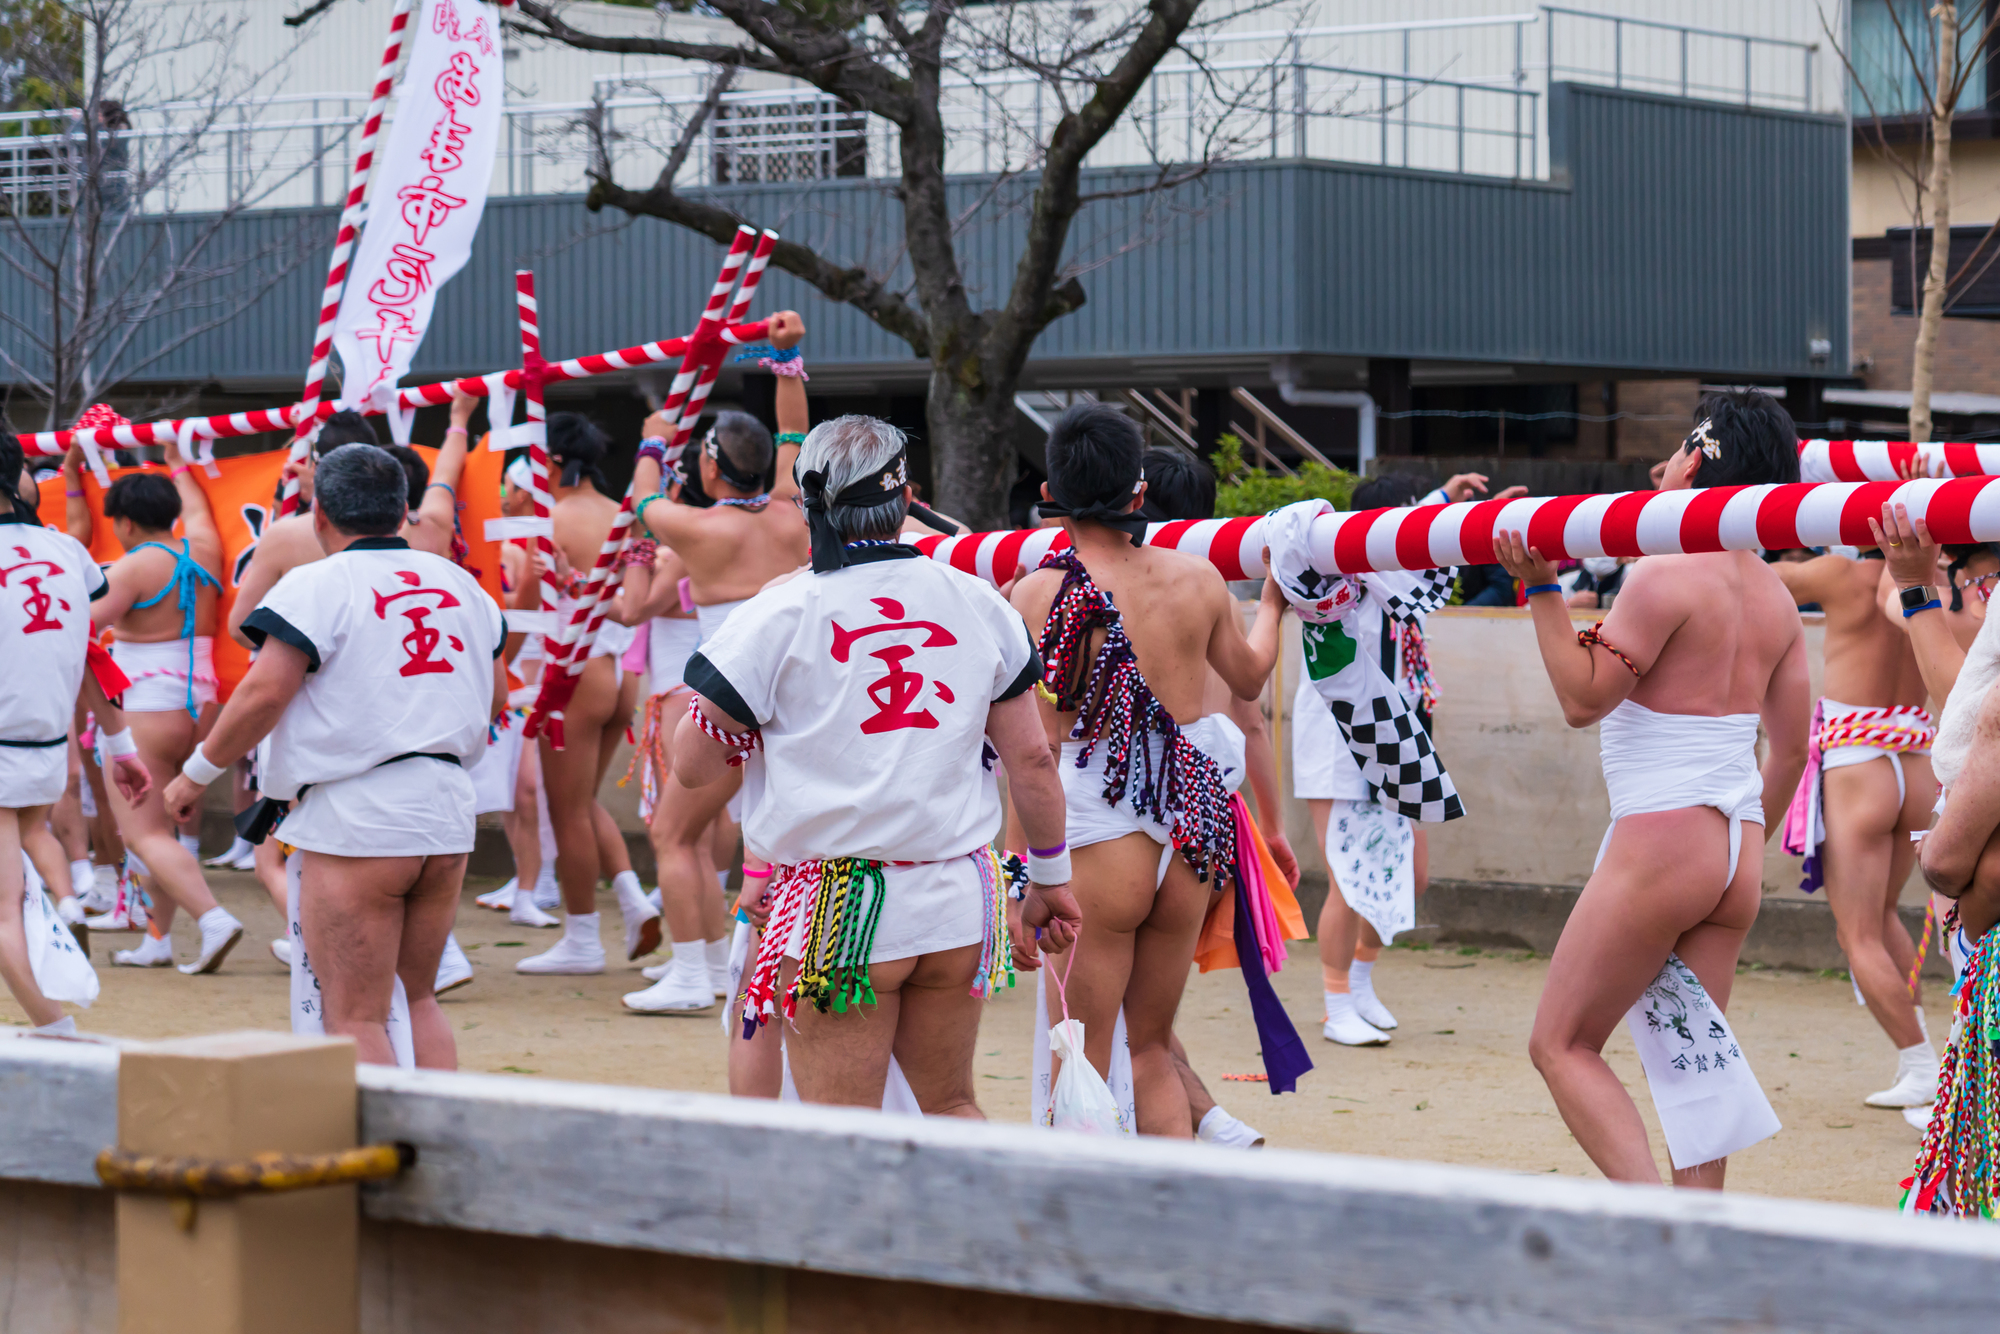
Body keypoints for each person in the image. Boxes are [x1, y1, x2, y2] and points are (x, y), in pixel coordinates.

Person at [685, 414, 1080, 1112]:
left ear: (811, 505)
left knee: (843, 1129)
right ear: (908, 502)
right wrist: (1049, 878)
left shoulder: (781, 610)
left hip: (838, 908)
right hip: (954, 897)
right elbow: (1033, 758)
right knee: (950, 1105)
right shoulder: (975, 599)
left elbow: (692, 765)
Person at [1492, 389, 1810, 1189]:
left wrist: (1541, 588)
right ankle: (1696, 1246)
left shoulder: (1666, 569)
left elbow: (1582, 699)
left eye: (1670, 454)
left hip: (1666, 835)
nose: (1657, 467)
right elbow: (1793, 747)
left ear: (1695, 461)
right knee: (1694, 1066)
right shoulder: (1776, 596)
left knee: (1561, 1043)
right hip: (1735, 847)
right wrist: (1744, 834)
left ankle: (1656, 1232)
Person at [162, 445, 505, 1067]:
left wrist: (195, 774)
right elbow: (497, 696)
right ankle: (448, 1127)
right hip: (446, 806)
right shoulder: (462, 584)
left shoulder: (318, 582)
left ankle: (380, 1136)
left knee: (354, 1015)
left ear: (318, 512)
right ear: (402, 510)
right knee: (418, 999)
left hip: (358, 814)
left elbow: (263, 693)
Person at [1009, 403, 1284, 1138]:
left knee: (1083, 1053)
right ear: (1139, 492)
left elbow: (1033, 752)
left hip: (1096, 826)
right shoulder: (1198, 579)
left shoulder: (1038, 594)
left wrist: (1017, 877)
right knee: (1152, 1048)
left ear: (1051, 494)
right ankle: (1172, 1198)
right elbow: (1250, 677)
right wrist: (1273, 604)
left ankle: (1083, 1205)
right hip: (1191, 824)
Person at [619, 310, 810, 1012]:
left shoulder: (696, 528)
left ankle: (694, 973)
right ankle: (704, 965)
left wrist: (652, 439)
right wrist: (788, 360)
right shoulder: (792, 510)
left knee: (673, 832)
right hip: (791, 697)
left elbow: (643, 500)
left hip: (728, 700)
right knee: (719, 835)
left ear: (709, 466)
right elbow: (794, 433)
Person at [1292, 469, 1520, 1047]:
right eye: (1410, 517)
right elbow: (1405, 547)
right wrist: (1446, 500)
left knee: (1409, 876)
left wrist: (1479, 514)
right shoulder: (1343, 569)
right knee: (1350, 878)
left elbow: (1430, 552)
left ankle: (1360, 979)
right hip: (1340, 740)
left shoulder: (1399, 583)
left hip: (1395, 738)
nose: (1419, 536)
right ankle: (1335, 1002)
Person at [1769, 527, 1943, 1113]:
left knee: (1858, 933)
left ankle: (1923, 1066)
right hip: (1916, 764)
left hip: (1857, 765)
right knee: (1884, 916)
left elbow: (1750, 578)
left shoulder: (1838, 575)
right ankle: (1919, 1061)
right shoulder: (1931, 583)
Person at [70, 434, 244, 973]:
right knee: (161, 830)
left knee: (143, 834)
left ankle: (212, 918)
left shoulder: (132, 568)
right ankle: (158, 940)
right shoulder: (204, 548)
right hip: (204, 707)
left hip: (148, 708)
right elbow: (198, 510)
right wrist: (177, 462)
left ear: (123, 523)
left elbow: (77, 628)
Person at [0, 430, 152, 1035]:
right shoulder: (67, 550)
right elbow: (90, 655)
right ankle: (66, 906)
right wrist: (122, 747)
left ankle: (57, 1031)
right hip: (43, 749)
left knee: (3, 910)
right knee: (19, 877)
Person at [511, 413, 659, 976]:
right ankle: (632, 899)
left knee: (566, 810)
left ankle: (582, 939)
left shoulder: (553, 519)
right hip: (622, 671)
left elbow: (526, 606)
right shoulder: (623, 514)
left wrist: (497, 667)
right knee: (581, 802)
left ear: (552, 462)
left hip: (579, 668)